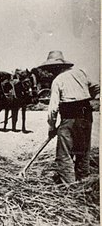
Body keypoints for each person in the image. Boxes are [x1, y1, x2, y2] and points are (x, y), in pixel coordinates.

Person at [44, 50, 100, 184]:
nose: (51, 72)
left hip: (68, 117)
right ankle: (84, 182)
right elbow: (97, 87)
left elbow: (53, 108)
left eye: (51, 68)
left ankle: (69, 186)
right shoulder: (81, 73)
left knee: (64, 154)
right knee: (83, 150)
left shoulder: (58, 80)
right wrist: (91, 99)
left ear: (57, 67)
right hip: (86, 116)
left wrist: (52, 127)